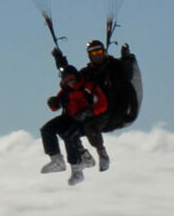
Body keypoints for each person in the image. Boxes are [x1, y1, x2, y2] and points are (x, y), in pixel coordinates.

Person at [53, 39, 140, 171]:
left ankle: (102, 154)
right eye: (93, 53)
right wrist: (60, 62)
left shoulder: (114, 67)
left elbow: (127, 77)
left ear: (104, 52)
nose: (97, 55)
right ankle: (82, 153)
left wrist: (126, 57)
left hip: (113, 111)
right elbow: (73, 79)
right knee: (68, 124)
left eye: (99, 52)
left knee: (90, 127)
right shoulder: (87, 73)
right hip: (94, 110)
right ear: (89, 55)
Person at [39, 65, 106, 185]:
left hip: (85, 121)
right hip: (69, 117)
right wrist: (53, 103)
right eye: (68, 79)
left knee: (69, 136)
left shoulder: (88, 87)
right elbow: (56, 107)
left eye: (73, 78)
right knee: (47, 129)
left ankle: (77, 170)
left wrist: (89, 112)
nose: (71, 82)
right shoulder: (64, 92)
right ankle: (56, 160)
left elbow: (102, 102)